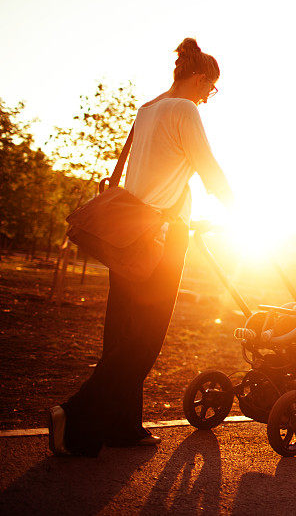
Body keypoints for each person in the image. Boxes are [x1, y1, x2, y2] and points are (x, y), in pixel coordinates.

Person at [48, 38, 233, 457]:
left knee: (120, 333)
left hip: (129, 229)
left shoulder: (147, 110)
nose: (209, 97)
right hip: (161, 240)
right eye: (211, 88)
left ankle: (121, 426)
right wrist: (242, 212)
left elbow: (151, 175)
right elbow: (209, 170)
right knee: (144, 341)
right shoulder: (183, 109)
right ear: (200, 78)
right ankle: (75, 414)